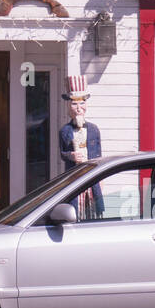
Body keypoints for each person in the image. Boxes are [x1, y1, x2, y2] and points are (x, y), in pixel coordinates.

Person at [57, 75, 103, 217]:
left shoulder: (94, 129)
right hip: (74, 176)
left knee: (94, 211)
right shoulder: (65, 130)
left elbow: (99, 156)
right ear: (69, 106)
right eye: (74, 104)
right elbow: (62, 153)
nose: (78, 108)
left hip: (91, 176)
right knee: (74, 211)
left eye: (82, 104)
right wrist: (71, 155)